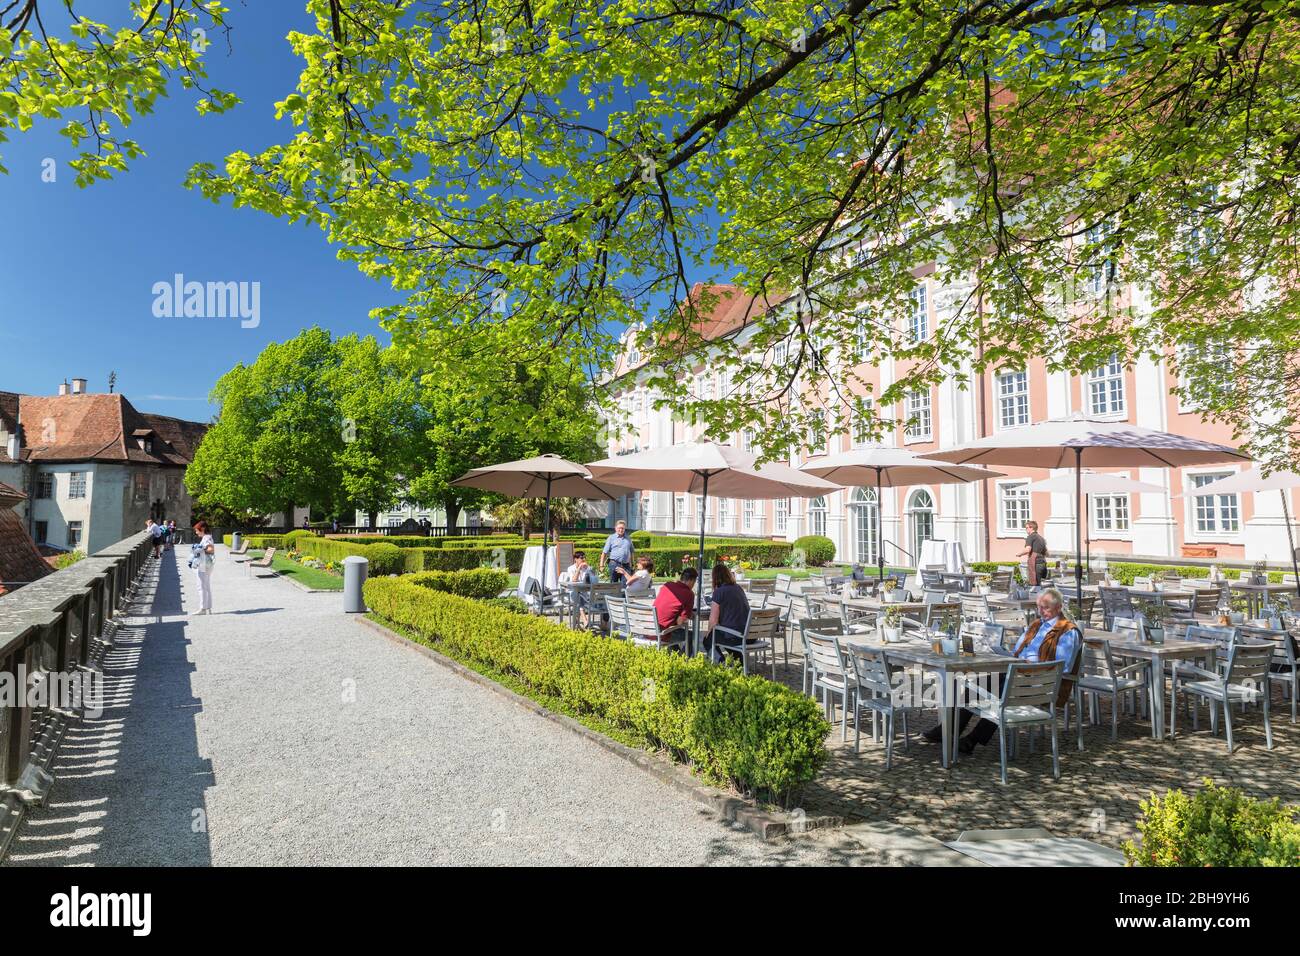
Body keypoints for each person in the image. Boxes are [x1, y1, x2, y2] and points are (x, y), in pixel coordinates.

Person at [926, 587, 1080, 753]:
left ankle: (973, 739)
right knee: (975, 685)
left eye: (1045, 608)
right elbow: (1017, 651)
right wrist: (1007, 655)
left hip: (1042, 683)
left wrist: (1029, 664)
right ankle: (948, 731)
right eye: (1038, 607)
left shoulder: (1068, 632)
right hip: (1018, 672)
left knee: (1000, 693)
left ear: (1058, 608)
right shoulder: (1036, 625)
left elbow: (1063, 667)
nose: (1040, 611)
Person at [704, 563, 750, 663]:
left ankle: (721, 663)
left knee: (708, 640)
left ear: (715, 577)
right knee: (725, 633)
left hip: (736, 637)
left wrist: (708, 633)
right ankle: (739, 663)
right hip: (750, 635)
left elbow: (713, 622)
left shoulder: (719, 592)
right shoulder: (738, 588)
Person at [654, 567, 698, 635]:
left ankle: (674, 646)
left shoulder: (667, 585)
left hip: (652, 629)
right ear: (691, 580)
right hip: (663, 634)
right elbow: (680, 622)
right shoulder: (689, 594)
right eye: (694, 582)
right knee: (691, 635)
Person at [190, 520, 216, 616]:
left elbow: (210, 549)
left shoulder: (206, 537)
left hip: (204, 565)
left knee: (201, 587)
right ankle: (207, 607)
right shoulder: (208, 537)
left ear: (203, 529)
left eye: (197, 530)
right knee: (206, 586)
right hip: (206, 564)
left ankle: (203, 608)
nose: (196, 532)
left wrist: (200, 549)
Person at [599, 520, 635, 584]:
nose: (621, 530)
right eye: (619, 528)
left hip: (626, 565)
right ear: (615, 528)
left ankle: (623, 594)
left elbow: (631, 551)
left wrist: (632, 564)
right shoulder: (611, 538)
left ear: (624, 529)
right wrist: (601, 565)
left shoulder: (628, 538)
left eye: (622, 528)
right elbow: (604, 552)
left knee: (626, 584)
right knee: (613, 585)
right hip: (614, 564)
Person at [1018, 519, 1049, 585]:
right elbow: (1047, 553)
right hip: (1043, 564)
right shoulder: (1041, 538)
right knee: (1040, 585)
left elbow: (1027, 549)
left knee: (1034, 586)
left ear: (1031, 528)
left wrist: (1019, 554)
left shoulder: (1031, 537)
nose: (1026, 530)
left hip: (1035, 564)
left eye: (1026, 528)